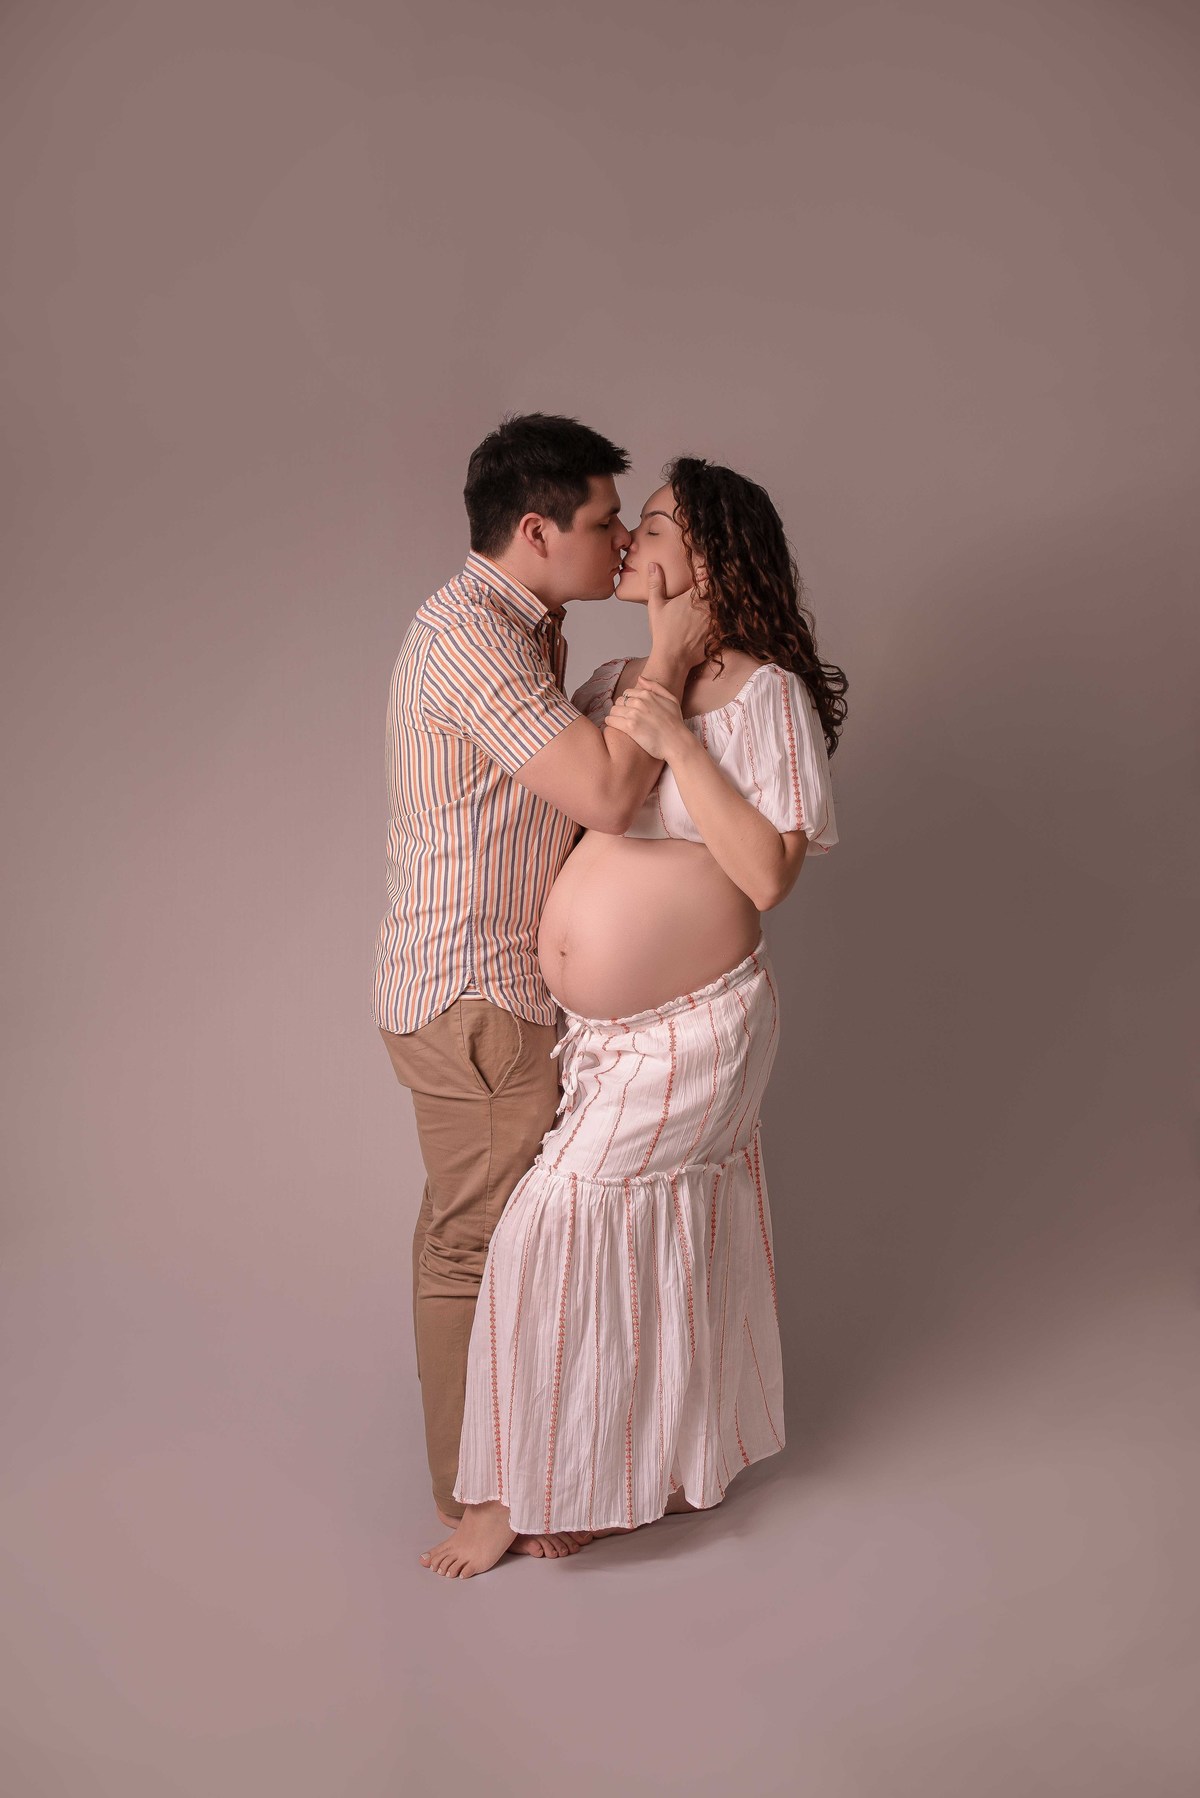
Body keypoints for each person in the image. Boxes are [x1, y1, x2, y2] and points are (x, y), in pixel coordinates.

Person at [422, 455, 848, 1578]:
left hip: (696, 1032)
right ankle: (621, 1476)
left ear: (707, 557)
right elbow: (573, 809)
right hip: (600, 1041)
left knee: (554, 1229)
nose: (626, 541)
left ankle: (519, 1492)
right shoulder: (613, 677)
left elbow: (766, 875)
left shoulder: (766, 696)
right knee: (622, 1244)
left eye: (651, 524)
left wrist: (679, 743)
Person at [375, 415, 711, 1563]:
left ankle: (520, 1468)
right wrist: (672, 650)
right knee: (474, 1244)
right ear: (535, 530)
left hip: (489, 992)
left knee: (498, 1236)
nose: (621, 540)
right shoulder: (473, 637)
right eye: (606, 520)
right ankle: (476, 1495)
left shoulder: (529, 626)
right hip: (473, 995)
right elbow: (607, 795)